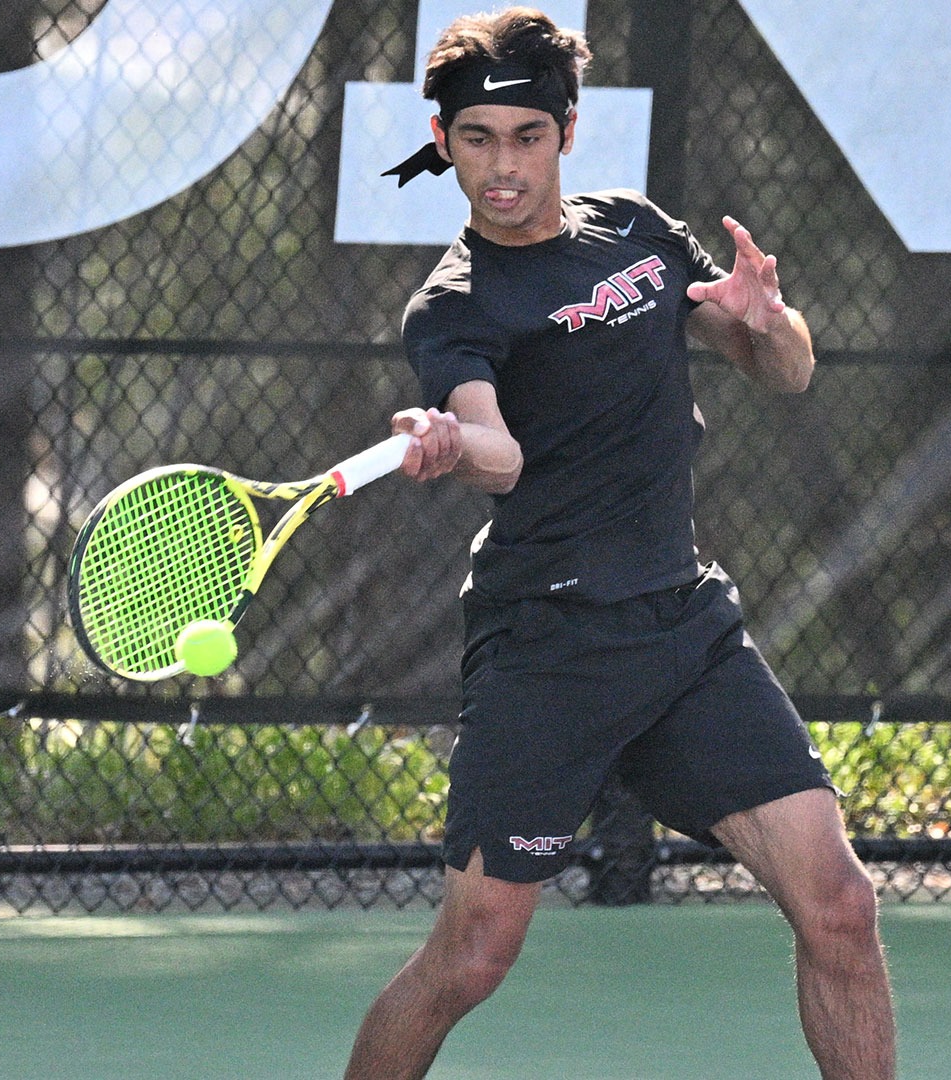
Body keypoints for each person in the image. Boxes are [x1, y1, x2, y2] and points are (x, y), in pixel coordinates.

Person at [353, 9, 895, 1079]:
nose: (503, 167)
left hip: (684, 628)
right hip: (548, 646)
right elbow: (500, 455)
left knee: (840, 904)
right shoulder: (453, 307)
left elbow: (784, 372)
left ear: (566, 131)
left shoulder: (638, 232)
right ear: (443, 140)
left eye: (527, 137)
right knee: (472, 957)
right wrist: (448, 440)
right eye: (477, 141)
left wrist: (766, 319)